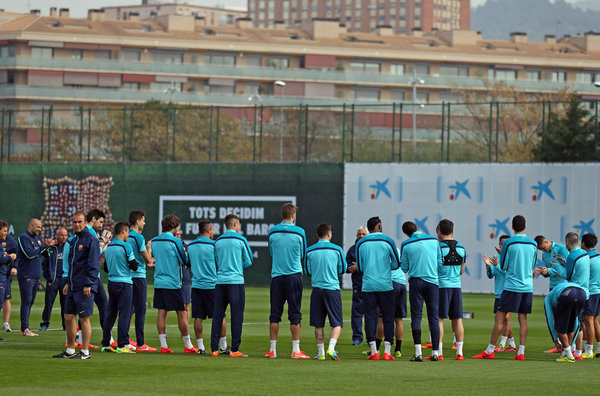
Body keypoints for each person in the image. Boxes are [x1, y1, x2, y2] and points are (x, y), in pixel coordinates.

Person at [473, 215, 537, 360]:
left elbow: (504, 266)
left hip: (512, 286)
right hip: (527, 286)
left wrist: (501, 257)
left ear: (513, 227)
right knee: (523, 319)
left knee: (499, 317)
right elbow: (532, 266)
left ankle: (490, 351)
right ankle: (521, 352)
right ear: (525, 227)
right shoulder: (533, 244)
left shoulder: (508, 243)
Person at [53, 212, 100, 359]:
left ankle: (85, 352)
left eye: (80, 222)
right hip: (72, 285)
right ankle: (70, 350)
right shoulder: (73, 241)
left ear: (85, 222)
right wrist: (67, 282)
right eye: (75, 222)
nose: (77, 224)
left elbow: (93, 264)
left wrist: (89, 284)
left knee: (84, 318)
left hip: (84, 285)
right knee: (68, 316)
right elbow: (71, 265)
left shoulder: (91, 240)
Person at [265, 203, 308, 359]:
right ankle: (295, 350)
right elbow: (303, 253)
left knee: (275, 314)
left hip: (277, 276)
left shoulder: (273, 231)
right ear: (293, 216)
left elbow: (271, 251)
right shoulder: (300, 232)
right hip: (293, 275)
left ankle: (272, 350)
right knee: (295, 313)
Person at [356, 216, 400, 361]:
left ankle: (374, 351)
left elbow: (360, 267)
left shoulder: (361, 243)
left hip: (368, 285)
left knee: (370, 317)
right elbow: (395, 265)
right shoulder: (388, 241)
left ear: (368, 228)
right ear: (379, 226)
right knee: (387, 317)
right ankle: (387, 352)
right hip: (385, 285)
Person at [151, 214, 197, 354]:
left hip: (159, 281)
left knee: (162, 312)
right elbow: (184, 260)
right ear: (175, 227)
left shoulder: (155, 241)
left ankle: (163, 345)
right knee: (182, 312)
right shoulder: (175, 241)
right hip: (173, 282)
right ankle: (188, 345)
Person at [400, 221, 443, 362]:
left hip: (416, 282)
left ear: (406, 233)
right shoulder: (433, 240)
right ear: (417, 228)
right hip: (432, 282)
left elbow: (404, 268)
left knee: (416, 317)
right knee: (434, 317)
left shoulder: (406, 244)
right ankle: (436, 352)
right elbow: (440, 263)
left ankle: (418, 353)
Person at [211, 214, 253, 357]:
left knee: (217, 315)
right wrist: (236, 266)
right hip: (235, 282)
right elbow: (249, 261)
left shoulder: (218, 241)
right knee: (236, 316)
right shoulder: (241, 239)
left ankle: (214, 349)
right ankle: (235, 350)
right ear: (235, 225)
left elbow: (216, 261)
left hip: (220, 281)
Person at [306, 223, 346, 361]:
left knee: (318, 323)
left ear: (317, 235)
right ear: (329, 234)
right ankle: (331, 348)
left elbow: (308, 271)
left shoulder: (309, 251)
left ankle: (321, 353)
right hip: (332, 289)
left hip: (317, 290)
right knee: (337, 323)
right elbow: (342, 269)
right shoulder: (337, 249)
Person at [188, 219, 228, 355]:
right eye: (213, 230)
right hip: (212, 285)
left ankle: (200, 347)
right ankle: (223, 346)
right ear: (209, 230)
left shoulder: (191, 245)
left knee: (198, 317)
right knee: (220, 316)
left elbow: (187, 262)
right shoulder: (214, 245)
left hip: (197, 285)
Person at [101, 222, 137, 354]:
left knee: (110, 314)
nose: (128, 235)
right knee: (124, 314)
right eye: (127, 232)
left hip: (112, 283)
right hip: (124, 284)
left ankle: (106, 344)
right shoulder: (126, 246)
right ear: (123, 231)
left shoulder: (109, 247)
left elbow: (105, 268)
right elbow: (134, 266)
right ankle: (122, 345)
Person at [17, 218, 54, 336]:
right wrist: (43, 247)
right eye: (38, 227)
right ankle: (24, 328)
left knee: (30, 302)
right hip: (26, 275)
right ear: (31, 225)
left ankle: (25, 328)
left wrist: (48, 247)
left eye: (40, 227)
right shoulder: (23, 237)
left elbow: (43, 253)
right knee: (26, 301)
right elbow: (29, 254)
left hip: (35, 276)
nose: (40, 229)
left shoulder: (37, 239)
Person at [436, 219, 466, 361]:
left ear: (439, 231)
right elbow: (462, 270)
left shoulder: (437, 247)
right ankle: (459, 352)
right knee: (458, 319)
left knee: (439, 319)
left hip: (442, 286)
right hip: (456, 286)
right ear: (452, 231)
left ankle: (439, 352)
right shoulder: (462, 248)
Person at [126, 209, 156, 352]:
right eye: (143, 220)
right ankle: (140, 343)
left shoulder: (125, 235)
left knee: (129, 309)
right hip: (138, 276)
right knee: (141, 309)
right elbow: (147, 259)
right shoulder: (138, 237)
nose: (145, 222)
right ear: (137, 221)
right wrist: (150, 250)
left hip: (127, 276)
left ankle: (126, 339)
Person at [484, 235, 516, 352]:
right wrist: (488, 266)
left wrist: (496, 265)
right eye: (501, 244)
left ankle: (502, 344)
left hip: (509, 291)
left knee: (506, 318)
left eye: (505, 244)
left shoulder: (511, 258)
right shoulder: (496, 257)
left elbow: (506, 273)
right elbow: (491, 275)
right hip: (499, 293)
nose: (502, 246)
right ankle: (512, 344)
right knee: (502, 319)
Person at [543, 281, 587, 363]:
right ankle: (567, 352)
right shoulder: (555, 295)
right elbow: (576, 324)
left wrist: (555, 341)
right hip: (583, 294)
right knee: (570, 326)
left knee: (559, 327)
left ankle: (568, 355)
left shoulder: (547, 299)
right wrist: (570, 345)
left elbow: (550, 321)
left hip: (568, 293)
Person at [40, 227, 68, 331]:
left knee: (65, 304)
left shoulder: (69, 247)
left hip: (65, 280)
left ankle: (66, 325)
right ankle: (45, 323)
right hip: (53, 281)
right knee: (48, 303)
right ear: (57, 236)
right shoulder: (51, 248)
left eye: (65, 235)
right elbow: (44, 263)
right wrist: (49, 278)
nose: (64, 237)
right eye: (62, 235)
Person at [345, 226, 368, 346]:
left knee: (372, 313)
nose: (361, 236)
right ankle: (357, 338)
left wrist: (359, 266)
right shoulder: (352, 250)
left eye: (364, 234)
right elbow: (346, 266)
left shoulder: (371, 247)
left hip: (371, 286)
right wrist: (351, 268)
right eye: (359, 234)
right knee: (357, 313)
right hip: (358, 286)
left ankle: (372, 338)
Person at [580, 233, 599, 358]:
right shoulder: (599, 257)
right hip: (599, 291)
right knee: (595, 321)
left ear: (583, 243)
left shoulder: (586, 258)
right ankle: (598, 348)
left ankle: (588, 350)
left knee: (588, 321)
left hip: (591, 292)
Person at [0, 220, 17, 341]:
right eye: (4, 230)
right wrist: (10, 257)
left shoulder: (9, 241)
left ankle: (6, 324)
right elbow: (1, 258)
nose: (6, 233)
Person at [392, 247, 407, 358]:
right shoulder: (398, 249)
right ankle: (398, 349)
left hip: (391, 283)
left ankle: (376, 348)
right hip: (402, 283)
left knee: (383, 318)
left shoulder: (384, 251)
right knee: (399, 319)